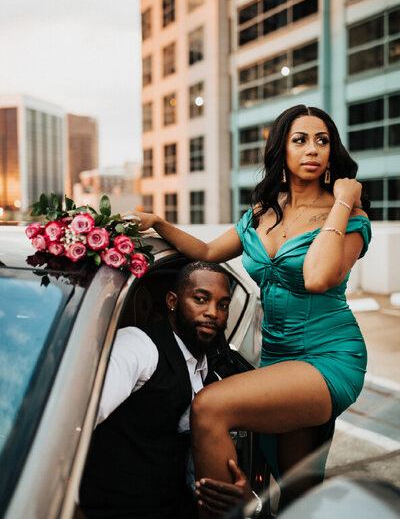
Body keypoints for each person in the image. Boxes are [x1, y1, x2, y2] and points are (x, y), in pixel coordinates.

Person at [132, 104, 371, 517]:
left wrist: (344, 201)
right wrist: (158, 223)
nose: (313, 149)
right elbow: (207, 252)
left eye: (322, 140)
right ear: (283, 149)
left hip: (329, 355)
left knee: (209, 407)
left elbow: (316, 277)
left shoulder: (349, 216)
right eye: (300, 140)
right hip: (277, 358)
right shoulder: (262, 214)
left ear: (332, 152)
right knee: (296, 487)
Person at [80, 261, 252, 519]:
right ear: (172, 301)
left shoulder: (215, 370)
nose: (213, 312)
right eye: (200, 299)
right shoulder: (138, 346)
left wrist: (247, 499)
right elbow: (77, 419)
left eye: (223, 305)